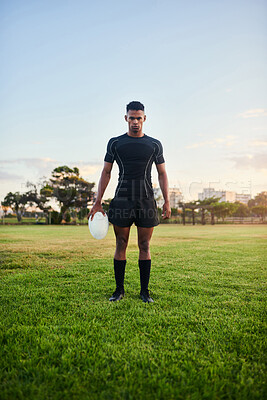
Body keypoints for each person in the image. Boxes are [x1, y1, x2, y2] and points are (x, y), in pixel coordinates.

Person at [89, 101, 171, 303]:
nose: (135, 121)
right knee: (121, 243)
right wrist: (98, 201)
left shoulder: (154, 144)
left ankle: (145, 292)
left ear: (144, 119)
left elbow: (162, 173)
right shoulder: (115, 143)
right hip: (122, 199)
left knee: (145, 244)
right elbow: (106, 172)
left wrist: (167, 201)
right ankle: (119, 291)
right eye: (132, 118)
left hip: (146, 200)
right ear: (126, 118)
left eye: (139, 118)